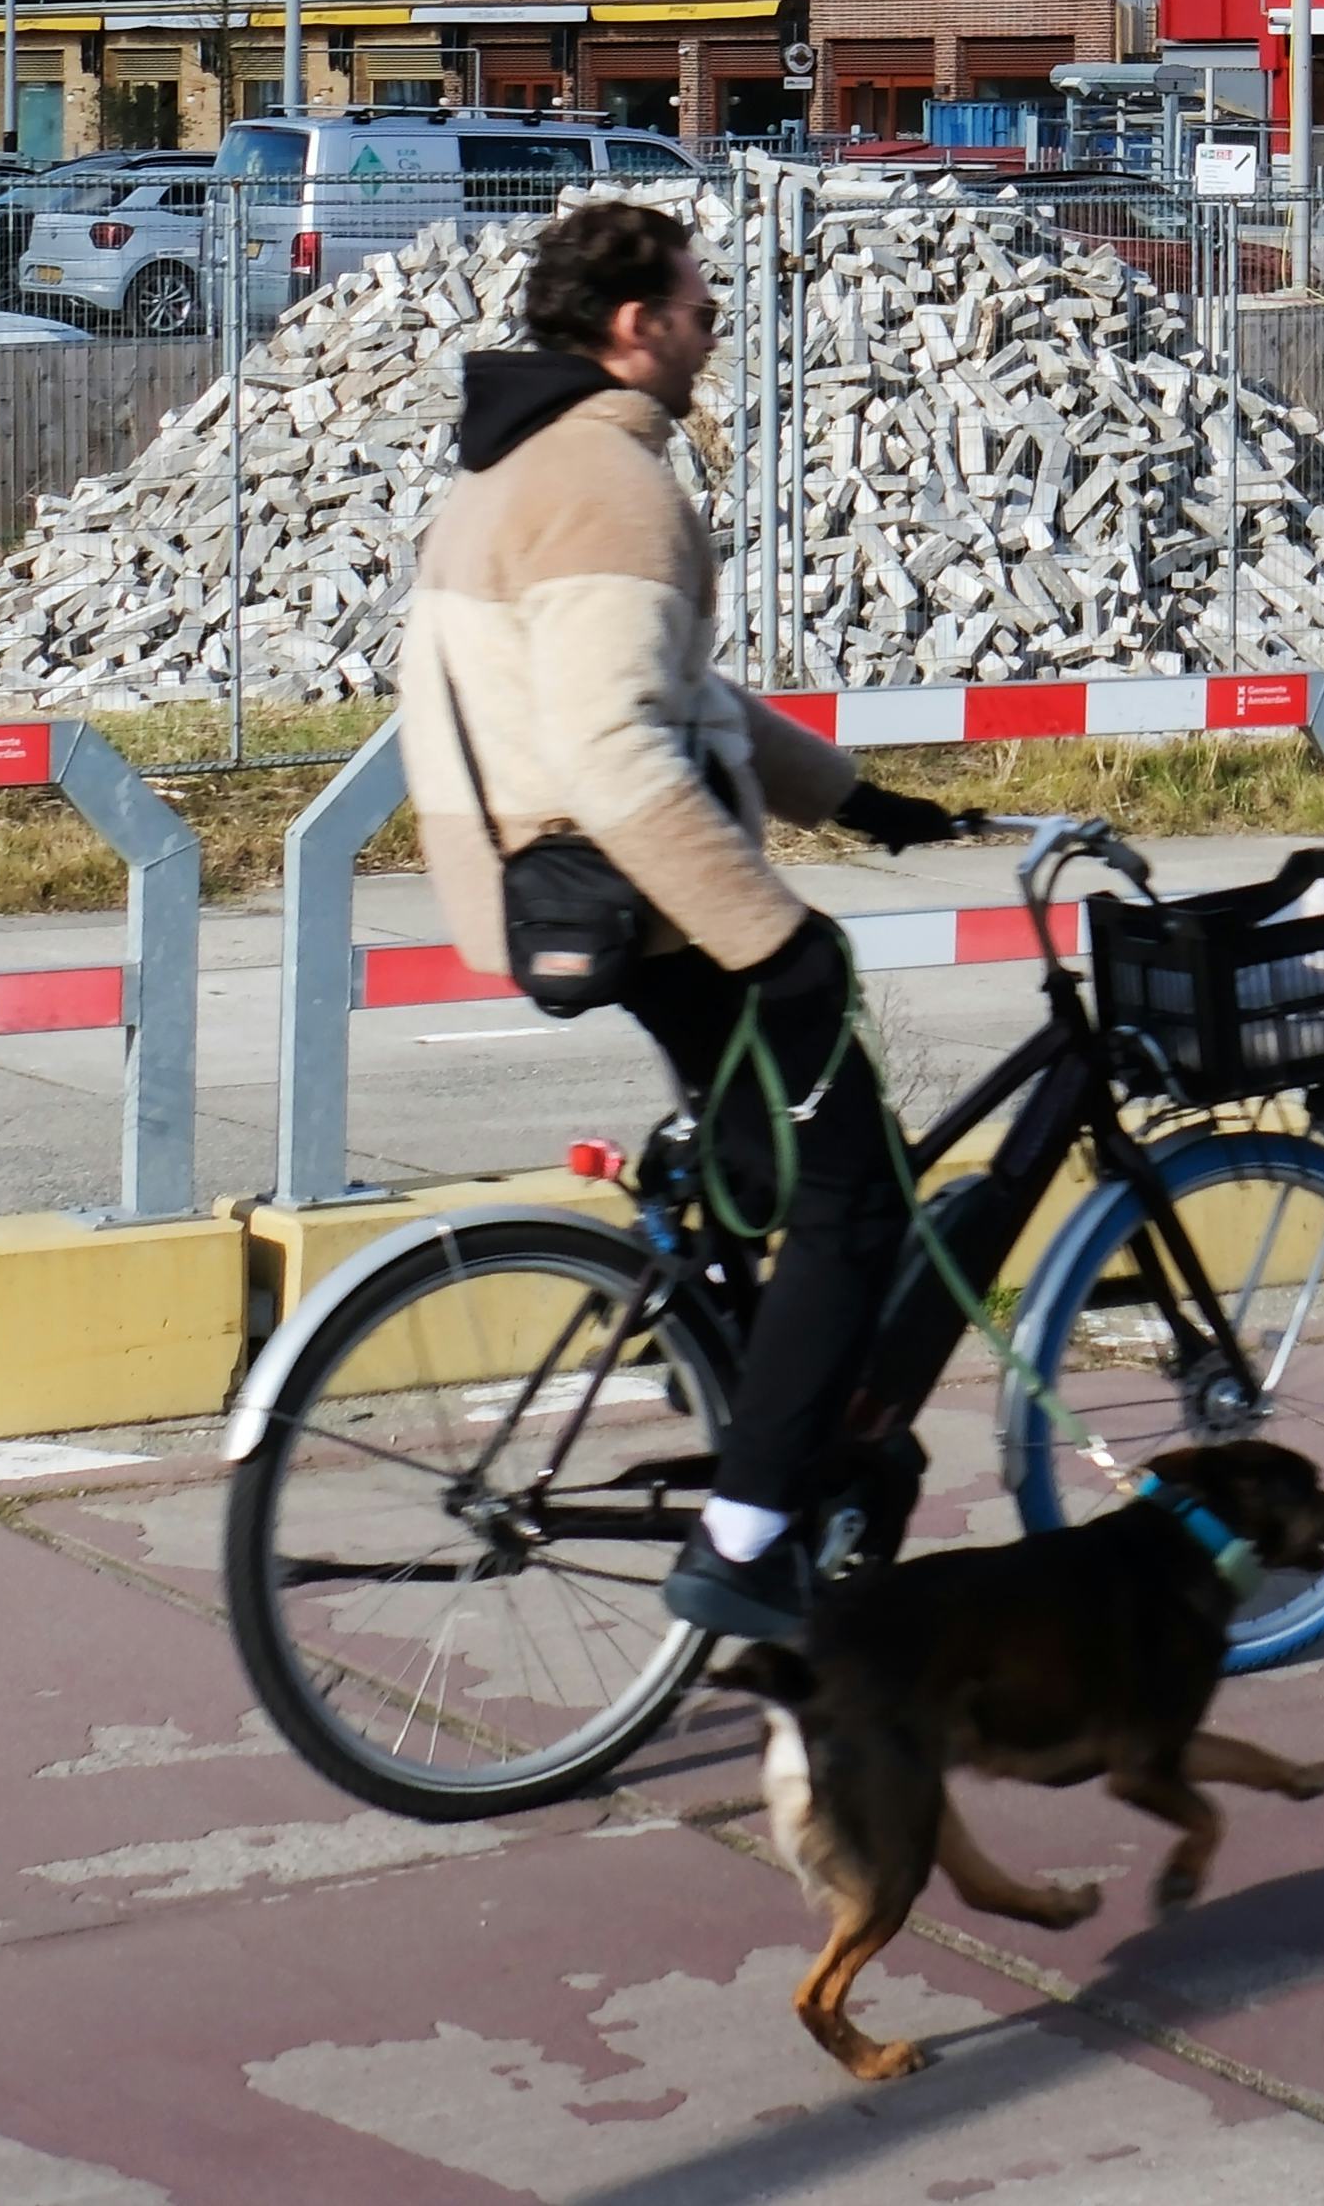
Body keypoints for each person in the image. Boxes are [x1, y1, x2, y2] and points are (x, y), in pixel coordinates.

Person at [396, 195, 967, 1649]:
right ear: (636, 325)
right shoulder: (607, 486)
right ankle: (748, 1532)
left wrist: (858, 802)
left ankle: (723, 1364)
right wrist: (774, 935)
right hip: (628, 895)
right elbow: (617, 752)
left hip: (558, 880)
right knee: (852, 1190)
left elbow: (689, 703)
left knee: (774, 1161)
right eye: (703, 314)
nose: (715, 337)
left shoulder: (538, 458)